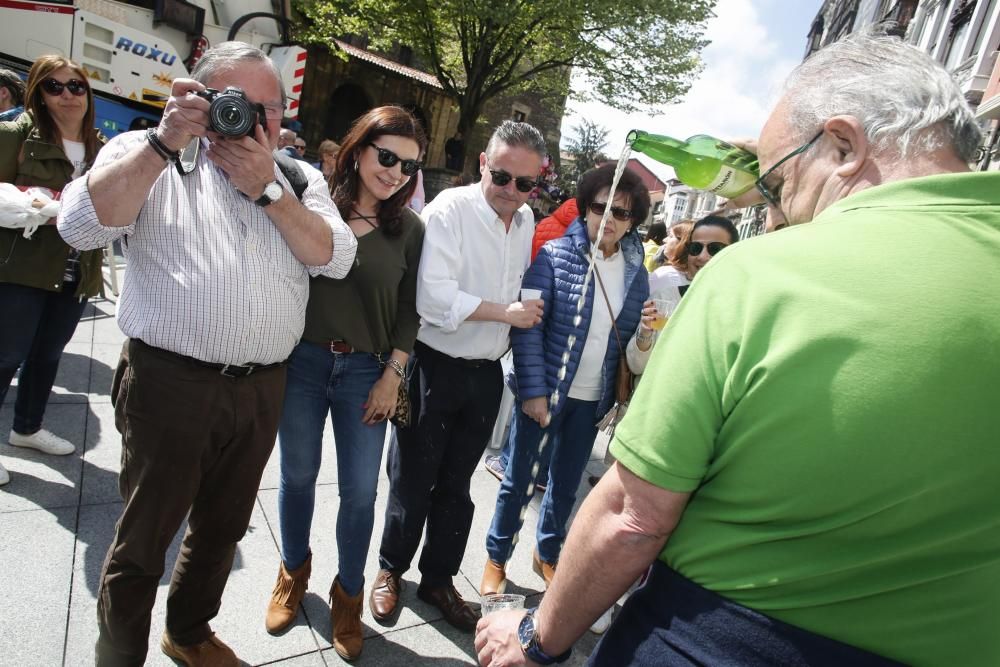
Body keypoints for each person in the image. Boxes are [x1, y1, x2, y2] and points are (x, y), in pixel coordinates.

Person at [475, 33, 999, 667]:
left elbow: (634, 516)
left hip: (721, 638)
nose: (778, 203)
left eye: (776, 182)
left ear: (844, 144)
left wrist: (537, 640)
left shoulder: (757, 275)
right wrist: (789, 156)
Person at [57, 42, 358, 666]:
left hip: (262, 386)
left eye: (267, 110)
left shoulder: (298, 177)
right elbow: (80, 226)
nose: (251, 124)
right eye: (233, 105)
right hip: (169, 385)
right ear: (196, 99)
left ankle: (189, 631)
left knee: (222, 529)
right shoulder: (145, 154)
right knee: (143, 543)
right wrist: (165, 143)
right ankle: (118, 657)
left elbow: (335, 257)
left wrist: (269, 191)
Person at [370, 120, 546, 633]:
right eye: (503, 177)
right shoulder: (449, 209)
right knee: (411, 478)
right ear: (483, 164)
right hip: (435, 365)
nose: (512, 191)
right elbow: (433, 298)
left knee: (457, 485)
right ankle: (390, 569)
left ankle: (439, 578)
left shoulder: (527, 217)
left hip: (485, 374)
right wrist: (505, 313)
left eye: (525, 183)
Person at [265, 106, 426, 661]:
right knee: (298, 476)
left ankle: (349, 593)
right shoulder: (315, 205)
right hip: (303, 364)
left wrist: (392, 374)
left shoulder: (408, 229)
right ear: (358, 150)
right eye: (387, 157)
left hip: (368, 370)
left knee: (360, 492)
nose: (395, 173)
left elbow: (411, 310)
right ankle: (293, 572)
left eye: (408, 165)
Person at [479, 163, 651, 598]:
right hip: (547, 394)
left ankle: (547, 553)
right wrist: (533, 392)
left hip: (591, 403)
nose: (609, 219)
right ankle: (497, 558)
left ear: (634, 223)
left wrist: (648, 334)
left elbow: (630, 342)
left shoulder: (637, 275)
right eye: (601, 206)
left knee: (566, 484)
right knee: (518, 481)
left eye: (623, 213)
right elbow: (528, 329)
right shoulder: (555, 256)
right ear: (584, 207)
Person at [0, 55, 106, 487]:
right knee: (6, 355)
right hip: (21, 265)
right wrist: (40, 205)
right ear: (38, 94)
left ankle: (26, 428)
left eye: (76, 86)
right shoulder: (15, 134)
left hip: (77, 267)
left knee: (47, 354)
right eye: (54, 87)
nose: (67, 95)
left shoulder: (101, 145)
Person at [648, 215, 738, 304]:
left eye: (715, 249)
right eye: (696, 247)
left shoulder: (743, 306)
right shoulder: (667, 295)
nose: (702, 256)